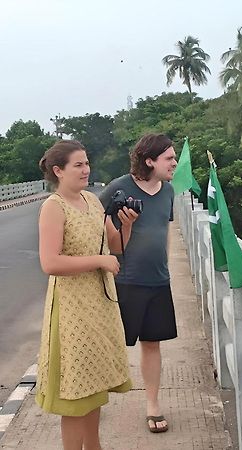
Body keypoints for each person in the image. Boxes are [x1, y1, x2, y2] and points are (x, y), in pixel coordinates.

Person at [36, 139, 139, 450]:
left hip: (99, 304)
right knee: (76, 395)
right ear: (59, 171)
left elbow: (115, 247)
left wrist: (127, 226)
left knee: (94, 388)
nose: (86, 169)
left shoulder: (92, 201)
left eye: (86, 162)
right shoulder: (53, 207)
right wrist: (99, 261)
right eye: (78, 164)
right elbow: (50, 262)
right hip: (72, 309)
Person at [99, 133, 178, 433]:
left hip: (158, 281)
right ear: (150, 161)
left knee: (152, 344)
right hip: (124, 281)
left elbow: (165, 231)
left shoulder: (168, 191)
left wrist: (166, 264)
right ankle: (95, 399)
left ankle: (153, 406)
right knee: (111, 344)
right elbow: (95, 223)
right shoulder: (118, 188)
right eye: (169, 158)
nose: (173, 162)